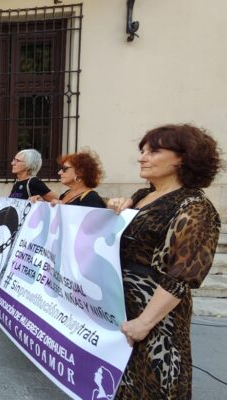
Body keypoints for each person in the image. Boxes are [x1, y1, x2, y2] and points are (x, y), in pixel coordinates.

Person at [107, 124, 222, 399]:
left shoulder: (194, 207)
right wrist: (116, 209)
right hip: (121, 308)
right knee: (119, 385)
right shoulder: (141, 196)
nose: (142, 157)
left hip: (155, 319)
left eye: (154, 151)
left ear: (183, 157)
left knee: (154, 386)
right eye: (143, 150)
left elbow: (180, 276)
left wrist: (144, 323)